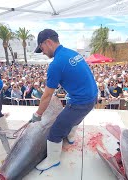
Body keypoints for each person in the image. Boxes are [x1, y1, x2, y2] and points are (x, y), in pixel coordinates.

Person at [31, 29, 97, 172]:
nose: (42, 52)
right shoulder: (72, 53)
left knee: (55, 131)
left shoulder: (56, 64)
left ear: (48, 42)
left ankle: (53, 159)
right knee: (74, 118)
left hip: (80, 102)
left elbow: (47, 95)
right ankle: (71, 135)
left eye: (41, 48)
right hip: (92, 97)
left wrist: (38, 114)